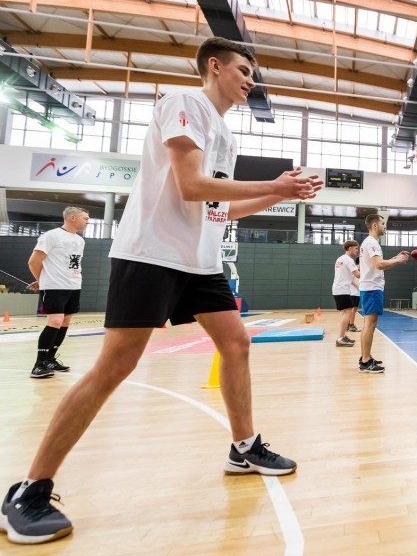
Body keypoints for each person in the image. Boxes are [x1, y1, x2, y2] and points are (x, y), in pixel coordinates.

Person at [0, 37, 323, 545]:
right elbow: (191, 186)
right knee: (115, 366)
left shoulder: (226, 137)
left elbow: (216, 208)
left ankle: (243, 447)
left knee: (236, 342)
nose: (250, 79)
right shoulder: (184, 104)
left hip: (200, 262)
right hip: (151, 254)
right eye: (243, 70)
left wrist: (278, 194)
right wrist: (275, 187)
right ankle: (29, 489)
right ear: (214, 67)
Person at [26, 206, 90, 379]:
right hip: (55, 286)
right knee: (55, 320)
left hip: (74, 285)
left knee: (65, 321)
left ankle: (50, 359)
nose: (88, 221)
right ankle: (39, 364)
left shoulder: (80, 241)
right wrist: (42, 281)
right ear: (72, 218)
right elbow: (33, 262)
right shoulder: (51, 236)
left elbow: (72, 264)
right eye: (85, 218)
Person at [359, 213, 409, 373]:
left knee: (369, 324)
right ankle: (365, 361)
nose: (384, 226)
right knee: (370, 324)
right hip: (372, 289)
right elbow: (379, 264)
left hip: (370, 288)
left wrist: (395, 258)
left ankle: (365, 357)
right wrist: (398, 260)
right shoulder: (372, 243)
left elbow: (379, 264)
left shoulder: (369, 243)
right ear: (374, 226)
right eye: (382, 223)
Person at [332, 240, 360, 347]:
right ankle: (340, 338)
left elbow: (351, 278)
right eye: (356, 248)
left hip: (339, 289)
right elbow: (357, 275)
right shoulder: (349, 260)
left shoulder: (340, 259)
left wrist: (358, 286)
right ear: (350, 248)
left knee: (347, 312)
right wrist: (369, 274)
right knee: (348, 313)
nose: (357, 251)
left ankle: (343, 336)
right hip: (342, 290)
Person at [348, 258, 361, 333]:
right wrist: (357, 287)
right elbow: (350, 280)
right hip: (353, 292)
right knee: (353, 309)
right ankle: (351, 325)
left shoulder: (359, 269)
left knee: (353, 309)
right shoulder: (355, 269)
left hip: (356, 292)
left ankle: (349, 324)